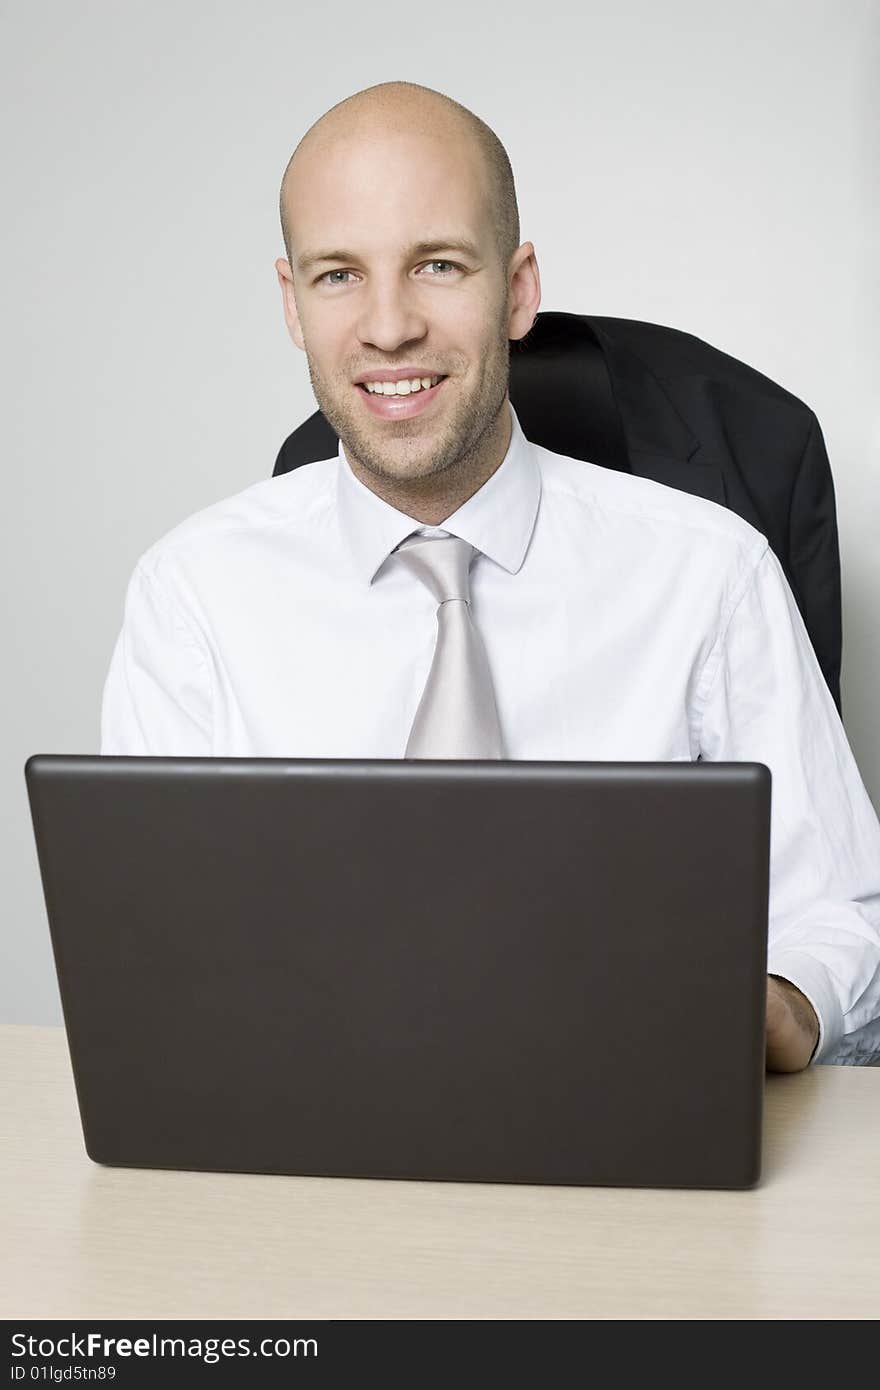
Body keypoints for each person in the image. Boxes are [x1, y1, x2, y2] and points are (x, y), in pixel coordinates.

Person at [100, 80, 880, 1073]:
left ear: (515, 290)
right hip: (308, 1142)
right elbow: (150, 956)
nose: (388, 327)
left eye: (435, 264)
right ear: (292, 305)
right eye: (339, 275)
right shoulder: (192, 597)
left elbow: (841, 914)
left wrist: (773, 1009)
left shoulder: (710, 571)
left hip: (628, 1130)